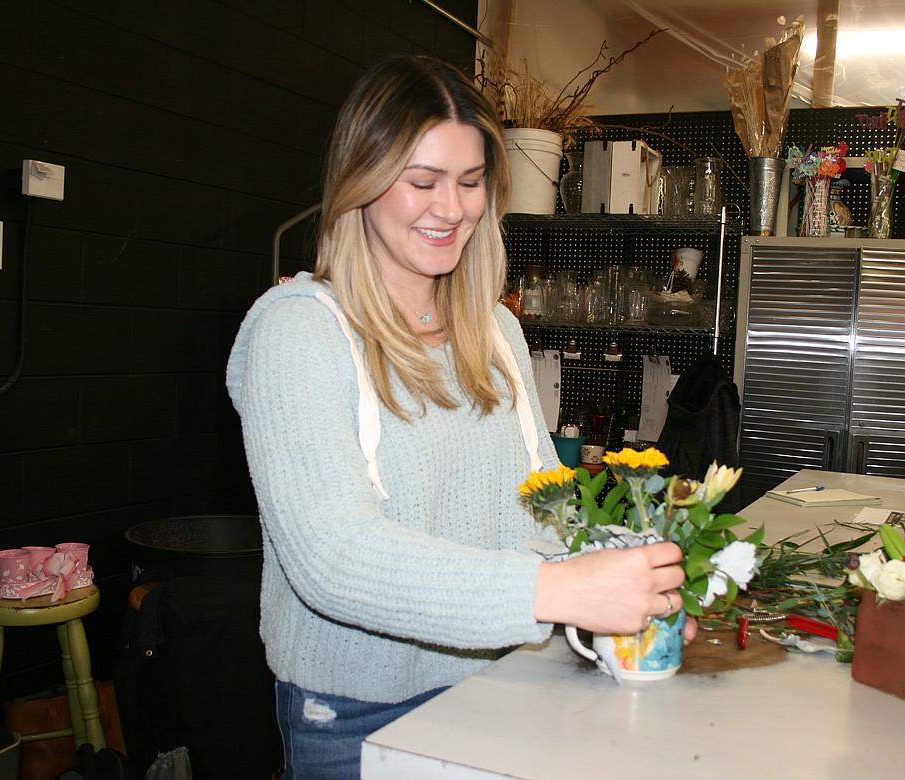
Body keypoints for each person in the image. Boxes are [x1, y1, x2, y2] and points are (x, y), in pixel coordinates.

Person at [226, 54, 692, 780]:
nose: (451, 208)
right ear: (361, 180)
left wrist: (635, 582)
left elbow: (546, 506)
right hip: (355, 713)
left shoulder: (494, 334)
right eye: (422, 182)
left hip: (503, 678)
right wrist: (562, 593)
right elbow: (334, 559)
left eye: (471, 183)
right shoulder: (299, 333)